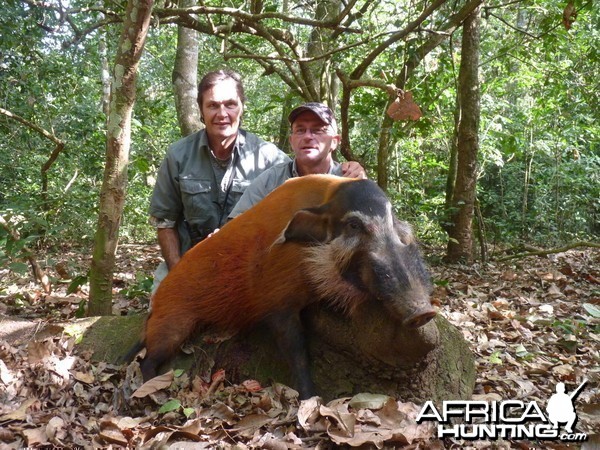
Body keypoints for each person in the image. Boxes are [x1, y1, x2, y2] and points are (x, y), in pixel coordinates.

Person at [148, 69, 290, 290]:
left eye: (230, 104)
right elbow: (165, 223)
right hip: (190, 262)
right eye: (213, 105)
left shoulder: (269, 157)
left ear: (241, 107)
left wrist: (347, 172)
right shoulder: (178, 155)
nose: (222, 113)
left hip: (249, 266)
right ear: (201, 111)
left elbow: (308, 181)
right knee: (163, 315)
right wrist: (178, 274)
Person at [229, 102, 367, 219]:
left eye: (317, 130)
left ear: (334, 142)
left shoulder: (349, 180)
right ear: (291, 141)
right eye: (300, 130)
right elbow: (236, 226)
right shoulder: (271, 181)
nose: (307, 136)